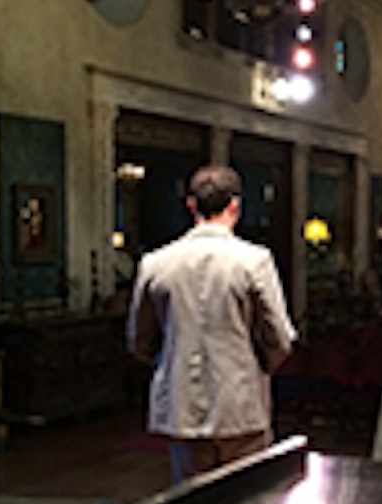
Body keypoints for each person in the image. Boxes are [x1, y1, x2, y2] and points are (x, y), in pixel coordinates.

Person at [127, 165, 297, 484]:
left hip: (182, 408)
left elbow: (139, 340)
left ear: (191, 206)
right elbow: (280, 339)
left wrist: (173, 364)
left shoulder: (156, 263)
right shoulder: (254, 261)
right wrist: (253, 369)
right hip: (240, 406)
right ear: (235, 205)